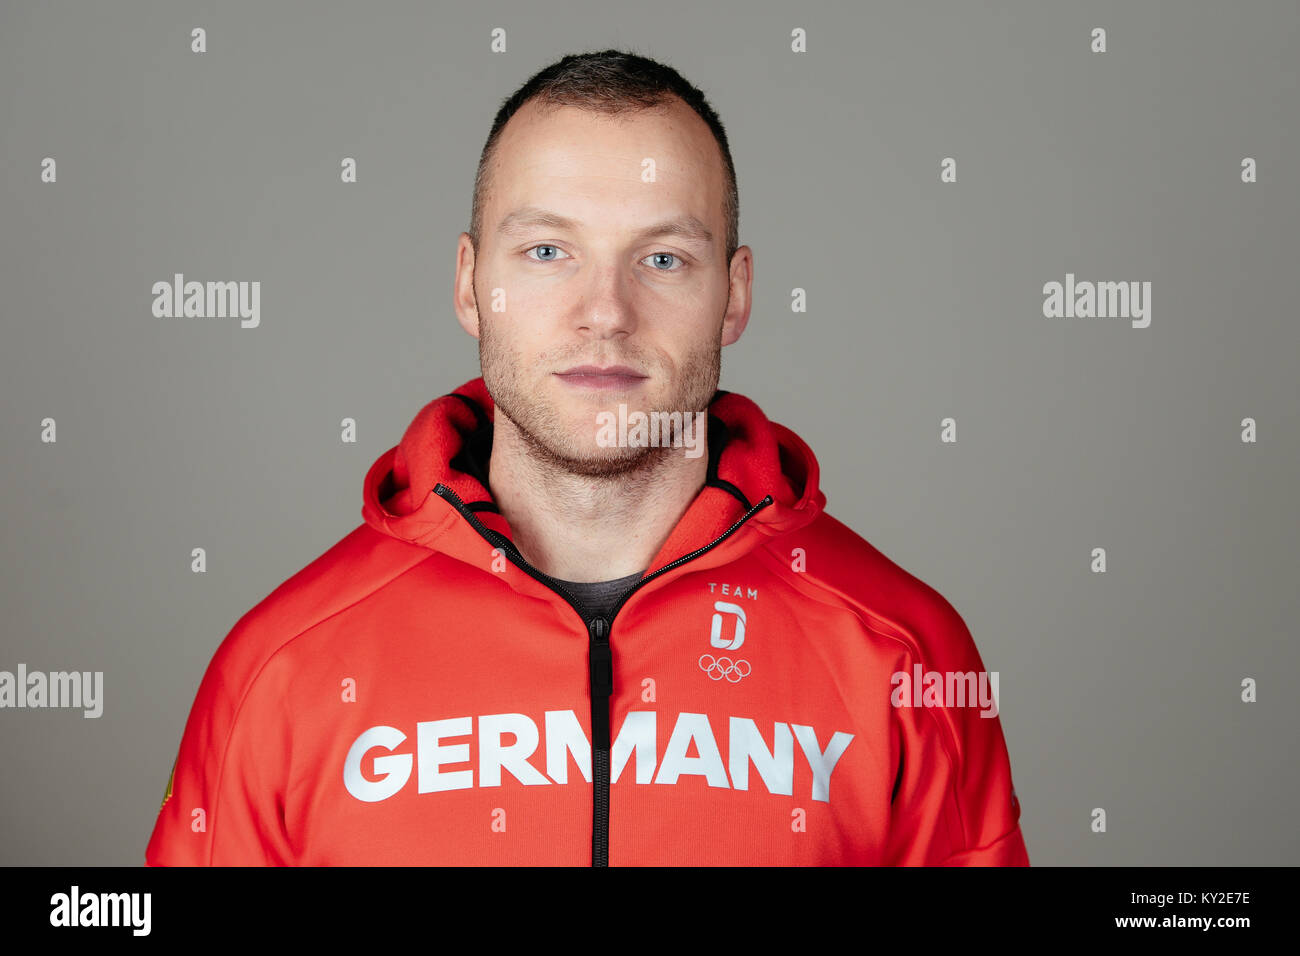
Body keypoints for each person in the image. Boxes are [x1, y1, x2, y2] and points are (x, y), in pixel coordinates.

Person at [145, 49, 1028, 866]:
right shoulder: (283, 666)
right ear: (468, 283)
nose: (605, 311)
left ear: (735, 295)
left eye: (664, 257)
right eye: (546, 251)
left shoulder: (905, 656)